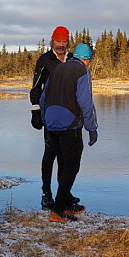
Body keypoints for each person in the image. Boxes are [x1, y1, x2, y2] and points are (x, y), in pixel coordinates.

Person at [40, 43, 98, 222]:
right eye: (89, 61)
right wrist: (92, 128)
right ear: (86, 60)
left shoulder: (57, 69)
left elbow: (43, 98)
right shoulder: (82, 71)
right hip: (69, 125)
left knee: (63, 164)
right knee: (71, 166)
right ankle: (57, 210)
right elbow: (85, 103)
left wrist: (46, 120)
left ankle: (64, 204)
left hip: (51, 124)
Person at [29, 26, 73, 210]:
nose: (61, 45)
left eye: (64, 42)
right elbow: (35, 87)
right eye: (58, 41)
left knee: (67, 156)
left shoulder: (73, 60)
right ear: (52, 41)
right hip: (50, 116)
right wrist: (36, 111)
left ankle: (64, 193)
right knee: (50, 154)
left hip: (70, 116)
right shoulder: (45, 60)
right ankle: (46, 194)